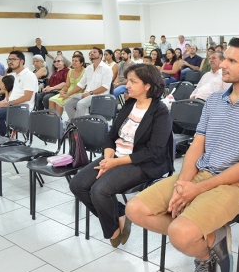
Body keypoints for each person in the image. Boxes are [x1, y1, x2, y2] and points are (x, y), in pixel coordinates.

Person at [126, 37, 239, 272]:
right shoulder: (215, 100)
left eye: (232, 60)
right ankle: (212, 240)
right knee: (135, 209)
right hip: (202, 172)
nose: (223, 64)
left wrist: (196, 190)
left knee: (180, 233)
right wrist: (185, 183)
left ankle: (203, 256)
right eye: (224, 58)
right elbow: (197, 145)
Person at [69, 64, 173, 247]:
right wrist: (108, 158)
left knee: (99, 190)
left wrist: (115, 163)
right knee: (78, 184)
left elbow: (153, 151)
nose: (127, 85)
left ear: (148, 85)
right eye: (128, 81)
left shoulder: (160, 112)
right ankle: (120, 213)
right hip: (116, 155)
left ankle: (113, 230)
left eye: (133, 82)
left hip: (142, 162)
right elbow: (111, 135)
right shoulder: (130, 104)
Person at [0, 51, 38, 136]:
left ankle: (3, 138)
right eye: (9, 59)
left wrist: (8, 103)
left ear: (22, 61)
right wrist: (3, 103)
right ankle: (3, 134)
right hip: (11, 105)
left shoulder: (28, 75)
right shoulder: (16, 75)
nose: (10, 62)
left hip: (22, 108)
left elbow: (27, 97)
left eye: (13, 59)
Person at [63, 47, 112, 119]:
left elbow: (105, 87)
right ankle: (75, 124)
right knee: (67, 104)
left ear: (101, 55)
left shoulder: (106, 69)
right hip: (87, 94)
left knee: (80, 104)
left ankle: (78, 126)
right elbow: (81, 84)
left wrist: (90, 93)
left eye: (94, 52)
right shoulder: (89, 68)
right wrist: (68, 94)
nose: (92, 53)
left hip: (99, 95)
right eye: (91, 52)